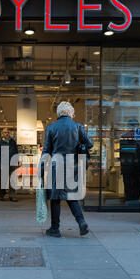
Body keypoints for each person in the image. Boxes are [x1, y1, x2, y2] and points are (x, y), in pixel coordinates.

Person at [41, 101, 93, 237]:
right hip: (72, 166)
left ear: (59, 113)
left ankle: (55, 229)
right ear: (70, 112)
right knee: (71, 195)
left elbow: (46, 150)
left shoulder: (51, 128)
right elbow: (90, 143)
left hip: (56, 166)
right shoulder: (78, 126)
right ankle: (81, 222)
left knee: (55, 198)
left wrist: (41, 169)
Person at [0, 128, 18, 202]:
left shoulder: (13, 142)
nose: (7, 134)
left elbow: (16, 152)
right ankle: (1, 195)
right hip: (3, 163)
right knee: (2, 180)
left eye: (8, 132)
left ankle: (12, 196)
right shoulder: (0, 143)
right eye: (5, 132)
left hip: (12, 163)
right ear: (2, 134)